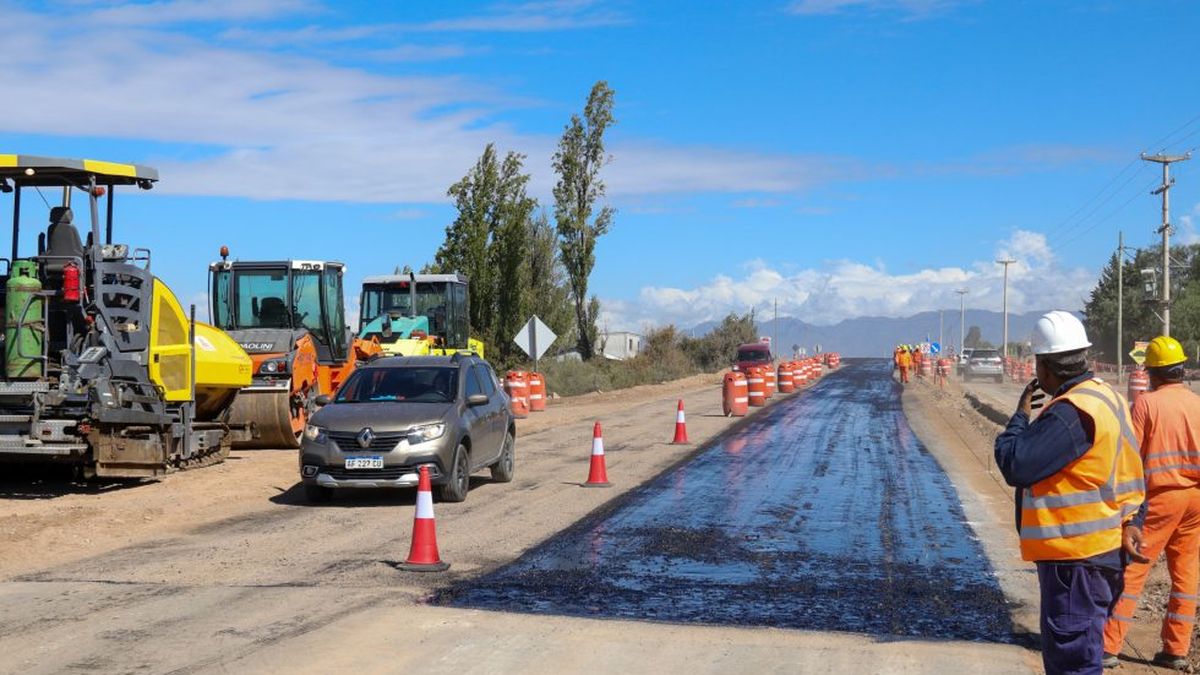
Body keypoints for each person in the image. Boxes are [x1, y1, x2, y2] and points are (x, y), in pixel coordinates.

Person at [994, 310, 1145, 675]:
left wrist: (1019, 418)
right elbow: (1127, 471)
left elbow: (1016, 463)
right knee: (1082, 655)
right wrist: (1133, 519)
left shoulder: (1071, 413)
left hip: (1076, 560)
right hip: (1098, 553)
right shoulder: (1105, 397)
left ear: (1044, 367)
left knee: (1072, 664)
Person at [1101, 336, 1200, 671]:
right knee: (1186, 576)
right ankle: (1176, 650)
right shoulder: (1197, 403)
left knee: (1132, 569)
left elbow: (1130, 454)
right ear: (1182, 369)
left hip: (1159, 499)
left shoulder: (1147, 404)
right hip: (1195, 500)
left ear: (1153, 373)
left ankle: (1107, 646)